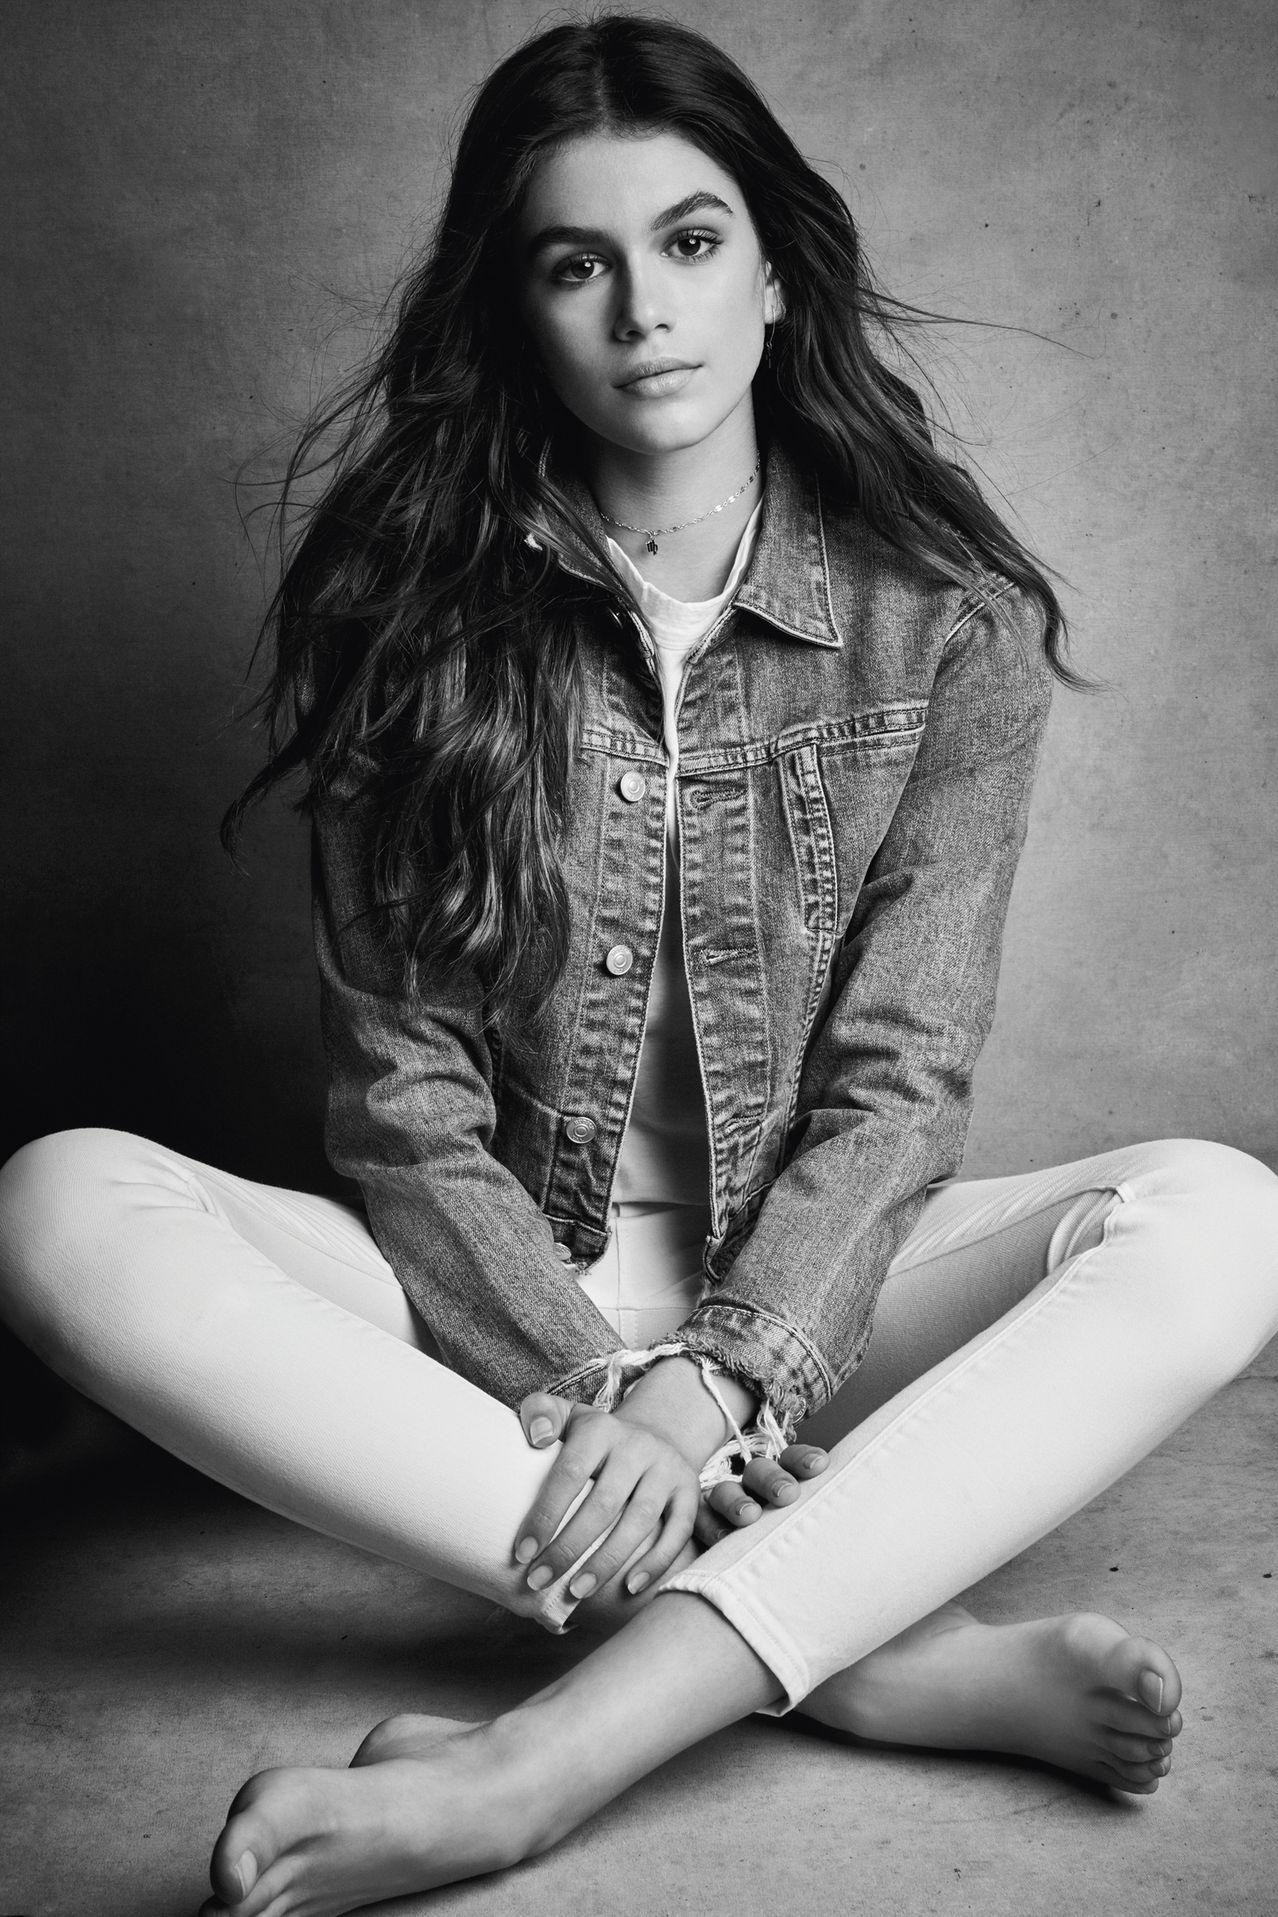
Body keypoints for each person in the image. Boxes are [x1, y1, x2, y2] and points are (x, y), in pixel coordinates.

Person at [1, 14, 1276, 1916]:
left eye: (687, 242)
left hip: (817, 1284)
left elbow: (902, 1079)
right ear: (514, 308)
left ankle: (538, 1764)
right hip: (493, 1289)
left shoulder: (941, 616)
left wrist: (722, 1378)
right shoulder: (405, 609)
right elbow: (404, 1103)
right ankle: (866, 1643)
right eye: (571, 263)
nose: (642, 309)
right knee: (59, 1202)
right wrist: (598, 1379)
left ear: (772, 275)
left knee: (1223, 1214)